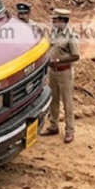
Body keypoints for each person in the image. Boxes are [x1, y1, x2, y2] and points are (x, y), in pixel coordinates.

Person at [39, 9, 80, 144]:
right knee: (53, 99)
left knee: (67, 102)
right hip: (53, 71)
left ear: (62, 20)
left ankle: (69, 130)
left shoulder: (70, 36)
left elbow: (75, 56)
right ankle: (53, 125)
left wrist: (59, 61)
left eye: (55, 19)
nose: (53, 22)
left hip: (64, 72)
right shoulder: (54, 32)